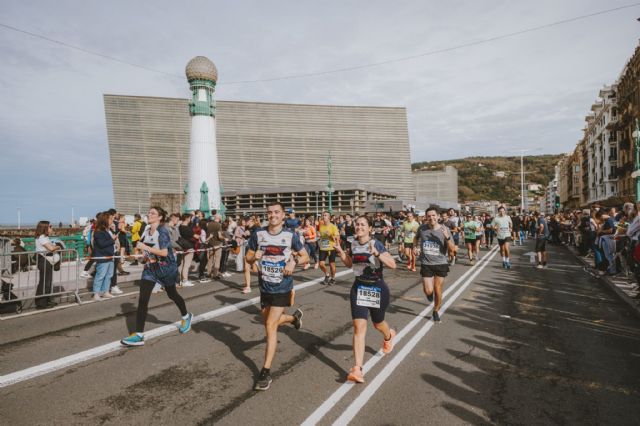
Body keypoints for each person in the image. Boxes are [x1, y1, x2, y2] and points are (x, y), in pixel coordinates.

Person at [245, 202, 309, 390]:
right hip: (265, 287)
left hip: (283, 287)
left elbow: (305, 256)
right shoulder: (258, 234)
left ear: (283, 216)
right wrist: (253, 257)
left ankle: (265, 372)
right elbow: (248, 258)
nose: (272, 215)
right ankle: (293, 318)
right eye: (270, 212)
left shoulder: (291, 235)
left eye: (276, 212)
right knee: (269, 320)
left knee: (270, 325)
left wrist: (294, 262)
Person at [333, 215, 397, 383]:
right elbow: (349, 264)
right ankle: (357, 369)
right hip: (359, 288)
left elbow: (392, 264)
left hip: (377, 288)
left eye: (362, 224)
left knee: (378, 323)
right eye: (357, 224)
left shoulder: (376, 243)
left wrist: (378, 254)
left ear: (370, 228)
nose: (359, 227)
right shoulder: (352, 244)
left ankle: (389, 336)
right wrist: (340, 251)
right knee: (358, 327)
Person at [121, 206, 192, 347]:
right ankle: (139, 335)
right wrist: (143, 256)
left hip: (166, 269)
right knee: (142, 300)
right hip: (150, 270)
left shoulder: (162, 231)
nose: (149, 214)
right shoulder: (146, 230)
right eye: (149, 212)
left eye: (153, 213)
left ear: (160, 217)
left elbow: (165, 253)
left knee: (172, 294)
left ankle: (186, 316)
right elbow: (143, 247)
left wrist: (146, 248)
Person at [414, 207, 456, 323]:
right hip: (426, 263)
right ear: (426, 217)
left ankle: (436, 310)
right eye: (429, 216)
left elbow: (452, 249)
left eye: (433, 215)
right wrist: (416, 247)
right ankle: (429, 294)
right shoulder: (422, 229)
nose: (431, 218)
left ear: (438, 216)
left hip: (440, 263)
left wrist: (447, 237)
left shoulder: (445, 229)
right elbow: (415, 238)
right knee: (428, 291)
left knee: (438, 289)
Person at [34, 221, 60, 309]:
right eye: (50, 226)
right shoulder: (42, 237)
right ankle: (41, 303)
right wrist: (58, 246)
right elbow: (51, 248)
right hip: (44, 260)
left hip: (44, 260)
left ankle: (45, 300)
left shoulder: (42, 237)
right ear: (45, 228)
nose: (51, 228)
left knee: (46, 281)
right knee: (45, 281)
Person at [92, 212, 116, 301]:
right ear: (104, 220)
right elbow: (102, 244)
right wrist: (112, 239)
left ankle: (106, 292)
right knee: (100, 276)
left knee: (109, 275)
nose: (111, 220)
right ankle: (96, 294)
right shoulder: (98, 232)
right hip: (102, 257)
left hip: (110, 256)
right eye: (110, 219)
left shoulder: (106, 230)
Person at [318, 211, 340, 285]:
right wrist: (319, 236)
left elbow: (337, 238)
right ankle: (327, 274)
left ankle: (333, 278)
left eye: (325, 215)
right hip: (323, 247)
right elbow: (321, 236)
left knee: (332, 265)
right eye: (323, 215)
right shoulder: (321, 226)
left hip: (331, 248)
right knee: (321, 264)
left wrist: (330, 235)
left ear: (329, 218)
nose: (324, 216)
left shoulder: (333, 226)